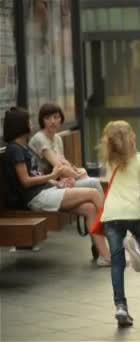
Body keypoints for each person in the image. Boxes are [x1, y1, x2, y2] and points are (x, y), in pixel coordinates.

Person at [2, 107, 111, 265]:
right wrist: (52, 176)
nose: (31, 124)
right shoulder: (15, 150)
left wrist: (56, 182)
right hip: (35, 198)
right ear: (20, 125)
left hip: (45, 191)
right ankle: (114, 232)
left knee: (90, 208)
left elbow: (36, 175)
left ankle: (105, 256)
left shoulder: (23, 148)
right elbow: (25, 181)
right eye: (28, 121)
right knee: (93, 194)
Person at [99, 120, 140, 328]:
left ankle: (120, 307)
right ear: (131, 139)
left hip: (110, 215)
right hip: (133, 213)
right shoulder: (139, 159)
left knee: (117, 263)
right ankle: (136, 246)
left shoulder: (109, 162)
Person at [29, 103, 102, 193]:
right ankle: (105, 207)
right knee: (93, 183)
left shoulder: (57, 138)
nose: (52, 121)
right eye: (47, 118)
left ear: (61, 119)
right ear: (42, 121)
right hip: (45, 183)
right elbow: (59, 166)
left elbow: (63, 162)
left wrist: (74, 172)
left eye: (56, 117)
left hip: (58, 180)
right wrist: (77, 175)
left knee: (88, 205)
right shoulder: (39, 138)